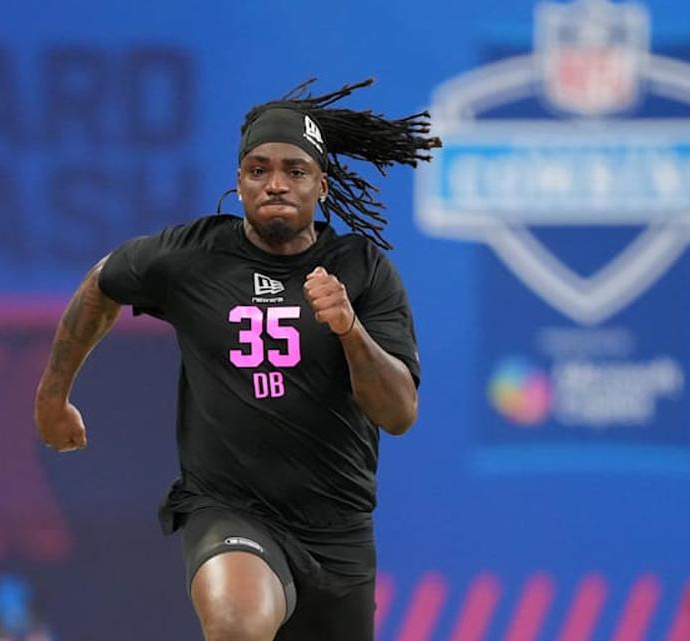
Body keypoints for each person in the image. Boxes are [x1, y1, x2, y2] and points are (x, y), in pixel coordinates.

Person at [34, 78, 440, 641]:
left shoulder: (362, 270)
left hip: (337, 532)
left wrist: (350, 331)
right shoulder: (191, 256)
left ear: (322, 185)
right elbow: (101, 285)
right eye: (258, 169)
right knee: (236, 623)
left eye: (295, 172)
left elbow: (398, 413)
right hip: (229, 511)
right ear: (239, 181)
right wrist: (54, 396)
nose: (276, 184)